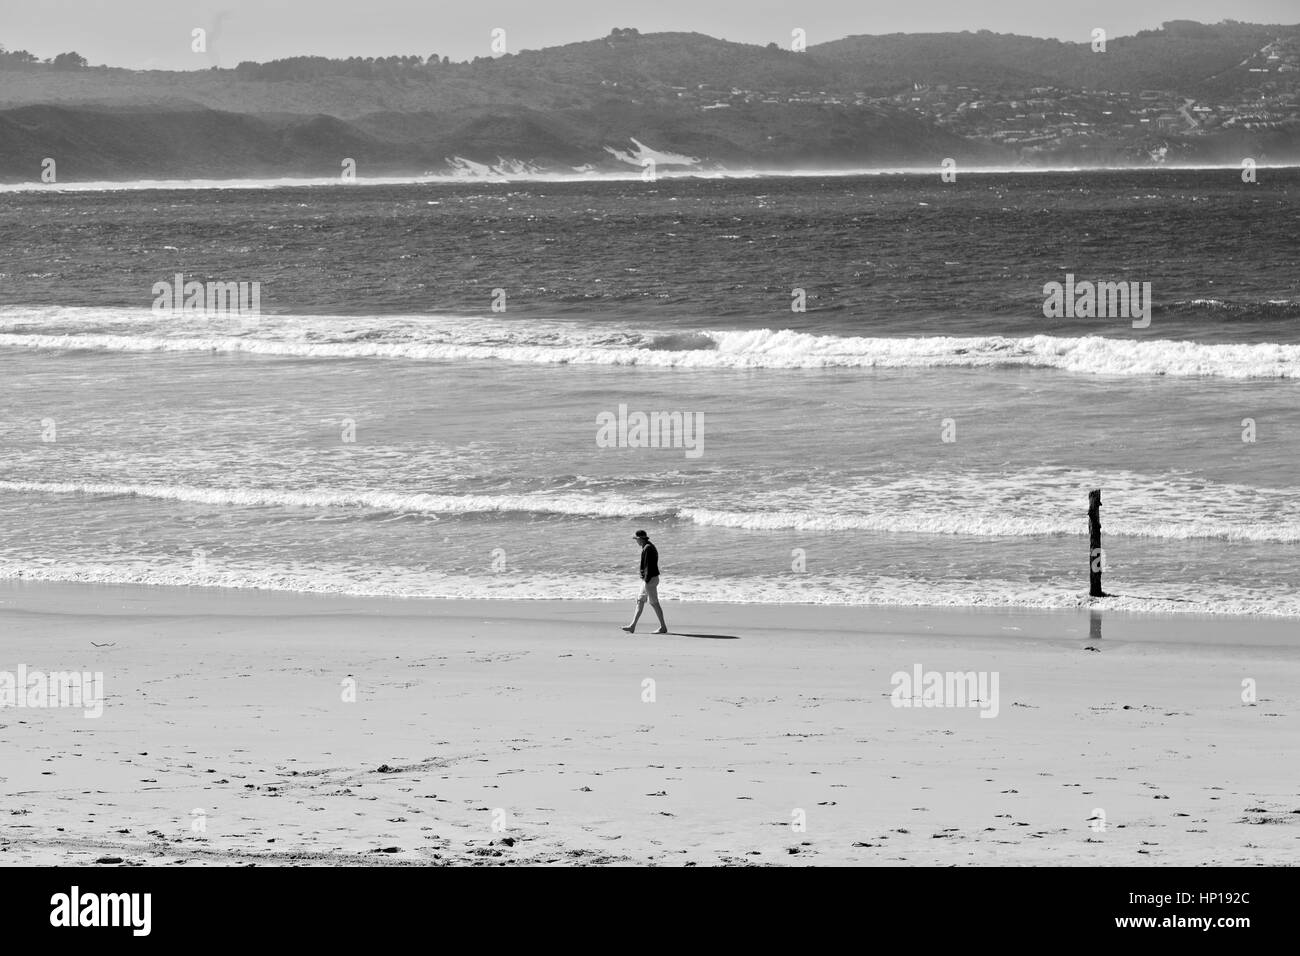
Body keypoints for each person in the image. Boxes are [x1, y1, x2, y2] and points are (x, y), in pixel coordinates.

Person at [622, 530, 667, 634]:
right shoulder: (648, 546)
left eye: (636, 539)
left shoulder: (648, 548)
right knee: (640, 600)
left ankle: (663, 627)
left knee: (654, 603)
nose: (636, 541)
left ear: (640, 539)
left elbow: (648, 567)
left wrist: (646, 580)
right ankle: (632, 626)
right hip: (648, 579)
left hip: (649, 579)